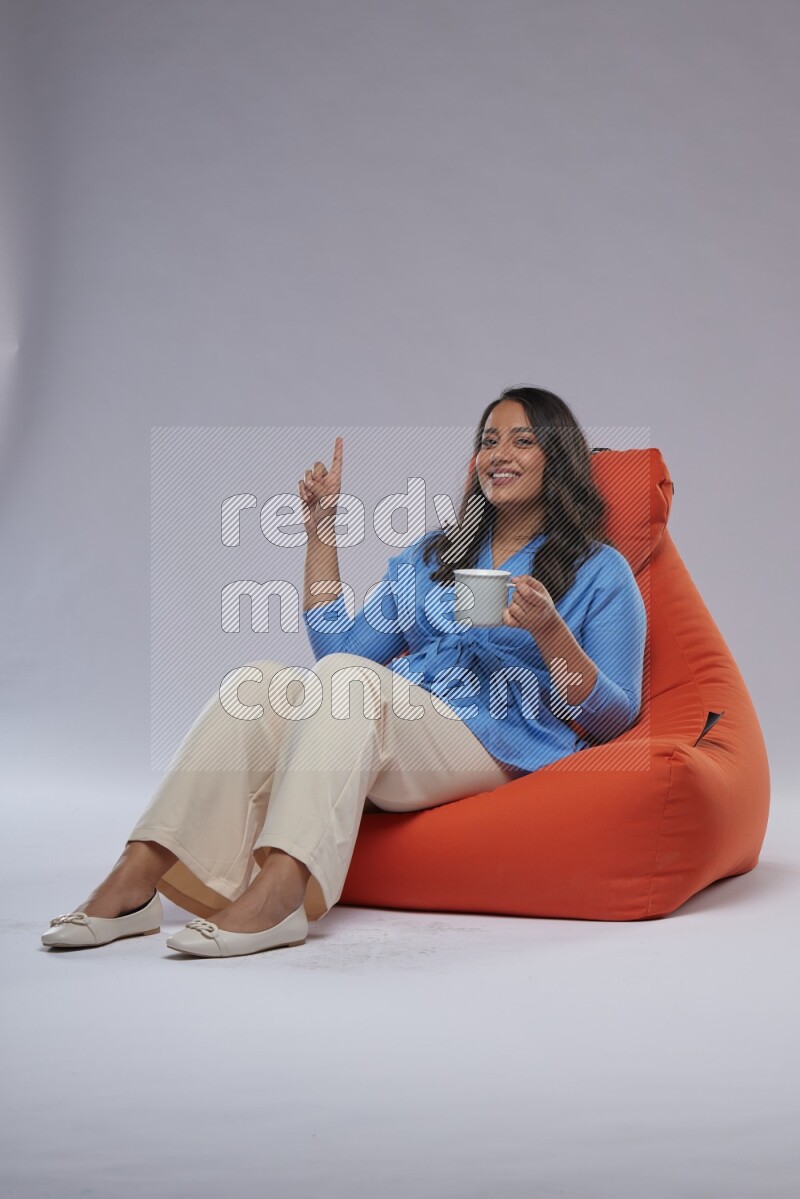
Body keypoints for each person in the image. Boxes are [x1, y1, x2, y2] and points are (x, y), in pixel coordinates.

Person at [40, 387, 647, 958]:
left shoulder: (600, 570)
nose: (498, 454)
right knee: (259, 683)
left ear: (557, 458)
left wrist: (549, 631)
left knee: (351, 683)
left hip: (498, 742)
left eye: (522, 440)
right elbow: (340, 651)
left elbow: (614, 716)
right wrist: (320, 529)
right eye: (488, 440)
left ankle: (281, 894)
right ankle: (140, 875)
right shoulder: (435, 556)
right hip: (405, 722)